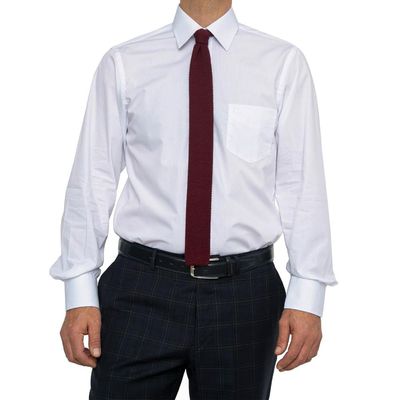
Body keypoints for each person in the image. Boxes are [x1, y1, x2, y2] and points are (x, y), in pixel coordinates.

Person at [49, 0, 338, 398]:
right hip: (140, 287)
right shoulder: (125, 62)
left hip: (245, 294)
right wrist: (79, 291)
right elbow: (92, 180)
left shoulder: (282, 63)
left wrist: (308, 294)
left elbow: (302, 185)